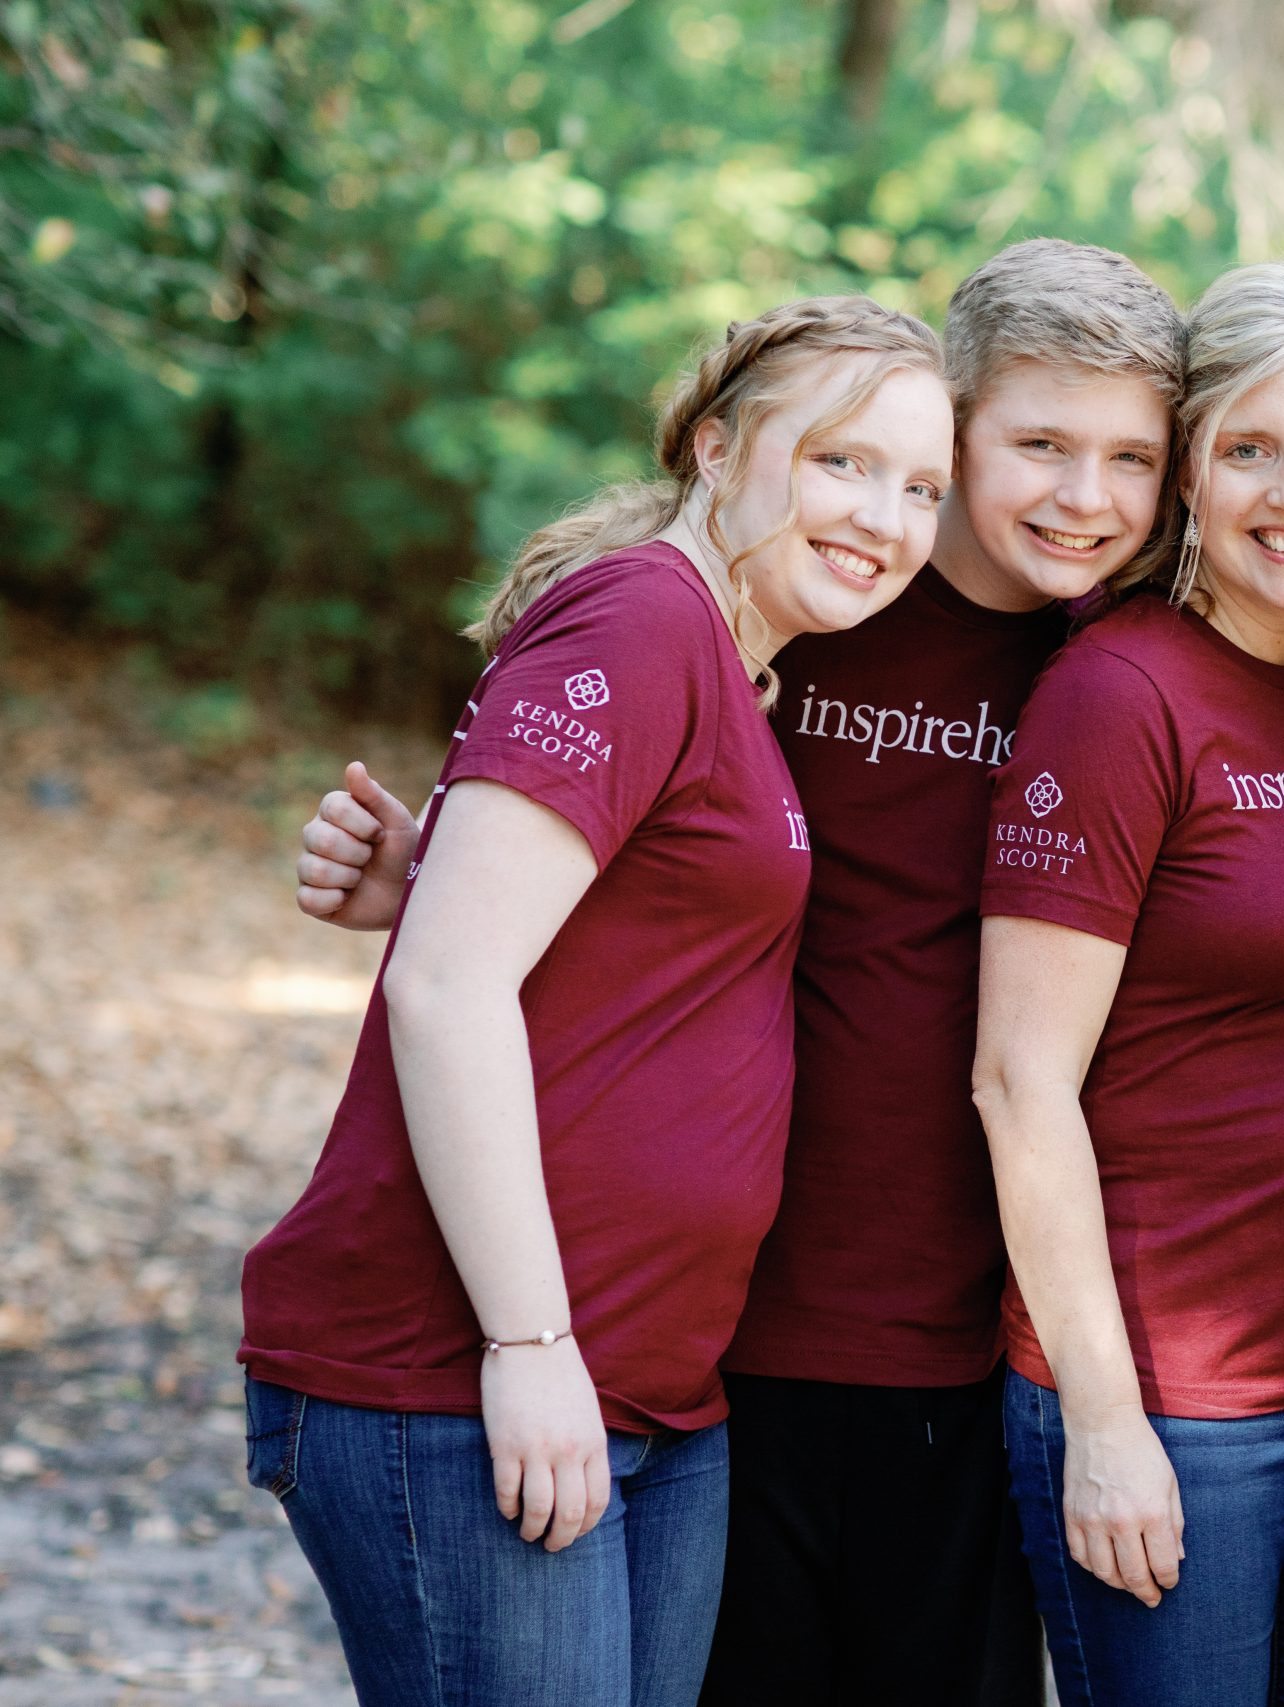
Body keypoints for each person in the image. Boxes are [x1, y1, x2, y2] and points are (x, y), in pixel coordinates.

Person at [289, 239, 1186, 1706]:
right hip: (654, 1341)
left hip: (907, 1344)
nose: (1081, 497)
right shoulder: (736, 612)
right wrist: (436, 896)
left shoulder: (1109, 670)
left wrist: (435, 891)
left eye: (1127, 459)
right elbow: (488, 953)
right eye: (1033, 445)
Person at [240, 294, 952, 1707]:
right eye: (842, 462)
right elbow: (449, 986)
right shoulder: (645, 620)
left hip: (654, 1389)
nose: (885, 515)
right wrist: (529, 1344)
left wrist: (423, 876)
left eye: (924, 486)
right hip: (459, 1377)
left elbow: (598, 928)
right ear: (716, 444)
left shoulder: (731, 667)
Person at [969, 261, 1284, 1707]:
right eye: (1248, 447)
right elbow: (1020, 1079)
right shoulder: (1119, 695)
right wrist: (1105, 1420)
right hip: (1177, 1404)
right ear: (1190, 475)